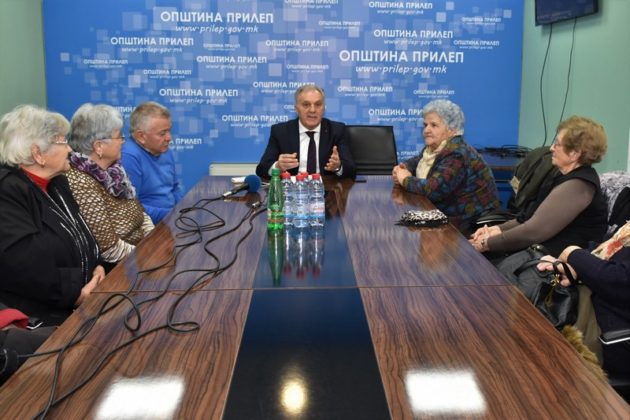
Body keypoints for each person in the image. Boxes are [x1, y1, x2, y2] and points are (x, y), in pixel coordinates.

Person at [0, 105, 104, 326]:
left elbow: (81, 236)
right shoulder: (7, 191)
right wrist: (76, 294)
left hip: (83, 302)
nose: (70, 149)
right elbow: (26, 267)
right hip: (41, 320)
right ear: (38, 154)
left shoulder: (57, 184)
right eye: (62, 141)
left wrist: (98, 267)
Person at [470, 116, 608, 257]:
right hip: (541, 251)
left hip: (558, 261)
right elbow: (527, 218)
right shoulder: (560, 176)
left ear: (574, 154)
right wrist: (495, 230)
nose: (551, 148)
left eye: (557, 144)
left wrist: (486, 243)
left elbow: (532, 232)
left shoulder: (578, 186)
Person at [536, 221, 630, 378]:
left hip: (611, 330)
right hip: (593, 299)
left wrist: (572, 253)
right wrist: (575, 268)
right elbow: (599, 251)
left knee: (530, 323)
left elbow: (618, 281)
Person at [392, 99, 500, 234]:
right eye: (425, 125)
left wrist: (404, 179)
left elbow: (433, 190)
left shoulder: (457, 153)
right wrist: (404, 167)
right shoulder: (435, 148)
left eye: (434, 125)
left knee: (402, 229)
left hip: (468, 223)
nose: (426, 130)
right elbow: (417, 161)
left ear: (452, 129)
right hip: (446, 213)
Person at [66, 103, 154, 268]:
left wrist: (153, 240)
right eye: (119, 137)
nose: (123, 142)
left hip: (139, 254)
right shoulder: (80, 182)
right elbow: (109, 249)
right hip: (118, 267)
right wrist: (149, 255)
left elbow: (141, 214)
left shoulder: (115, 170)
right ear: (99, 146)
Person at [256, 84, 356, 179]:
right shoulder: (280, 131)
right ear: (296, 109)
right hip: (293, 189)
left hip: (326, 189)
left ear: (323, 108)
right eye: (306, 105)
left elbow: (351, 170)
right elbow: (262, 169)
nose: (312, 110)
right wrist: (278, 166)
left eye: (318, 104)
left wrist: (338, 166)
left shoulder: (337, 130)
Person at [121, 102, 183, 224]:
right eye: (162, 133)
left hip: (171, 220)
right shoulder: (129, 156)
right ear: (141, 136)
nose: (169, 138)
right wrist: (174, 215)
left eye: (169, 131)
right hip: (148, 226)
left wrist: (184, 210)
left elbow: (175, 189)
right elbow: (132, 208)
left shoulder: (165, 150)